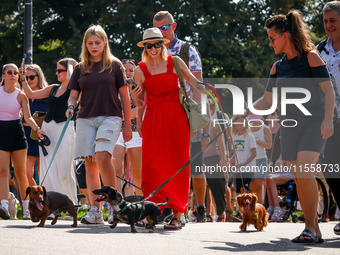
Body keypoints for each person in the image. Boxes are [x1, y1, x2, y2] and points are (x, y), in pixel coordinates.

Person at [254, 10, 335, 243]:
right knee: (298, 177)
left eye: (272, 38)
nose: (270, 43)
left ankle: (310, 227)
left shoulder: (311, 57)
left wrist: (328, 119)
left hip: (313, 123)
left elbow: (328, 92)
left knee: (305, 172)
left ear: (286, 36)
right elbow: (267, 101)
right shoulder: (277, 67)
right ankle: (315, 229)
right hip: (289, 126)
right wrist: (244, 112)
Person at [131, 27, 206, 230]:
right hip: (153, 118)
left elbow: (193, 81)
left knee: (177, 162)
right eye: (149, 45)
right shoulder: (140, 70)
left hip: (176, 117)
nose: (153, 48)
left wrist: (212, 94)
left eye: (157, 44)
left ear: (163, 44)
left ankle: (178, 213)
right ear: (145, 47)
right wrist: (136, 110)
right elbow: (140, 103)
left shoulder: (174, 61)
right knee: (151, 165)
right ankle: (150, 212)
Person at [66, 25, 132, 224]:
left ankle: (115, 206)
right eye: (90, 42)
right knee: (90, 162)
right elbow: (73, 95)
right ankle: (96, 209)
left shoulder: (115, 65)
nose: (94, 46)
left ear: (105, 43)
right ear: (85, 44)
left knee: (103, 156)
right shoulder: (80, 67)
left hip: (110, 117)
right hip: (85, 118)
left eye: (97, 42)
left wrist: (127, 125)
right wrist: (70, 107)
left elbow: (125, 97)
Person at [153, 11, 210, 222]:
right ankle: (170, 206)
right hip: (161, 112)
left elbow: (198, 84)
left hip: (184, 110)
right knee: (167, 162)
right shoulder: (153, 50)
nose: (161, 32)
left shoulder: (187, 50)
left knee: (192, 163)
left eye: (164, 27)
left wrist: (198, 117)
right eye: (157, 28)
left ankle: (197, 206)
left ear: (174, 26)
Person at [21, 58, 78, 206]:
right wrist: (23, 80)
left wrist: (72, 65)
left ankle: (69, 203)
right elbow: (31, 94)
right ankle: (52, 205)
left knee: (64, 172)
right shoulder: (52, 88)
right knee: (48, 170)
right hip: (48, 130)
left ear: (68, 71)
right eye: (56, 70)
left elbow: (72, 81)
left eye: (60, 70)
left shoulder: (74, 90)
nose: (57, 73)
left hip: (64, 130)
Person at [0, 63, 43, 220]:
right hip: (1, 132)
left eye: (15, 73)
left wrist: (37, 130)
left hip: (17, 132)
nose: (13, 75)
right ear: (3, 76)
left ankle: (27, 209)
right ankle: (3, 204)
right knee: (3, 171)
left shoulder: (21, 95)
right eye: (9, 72)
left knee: (21, 173)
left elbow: (28, 117)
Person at [318, 1, 340, 236]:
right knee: (330, 166)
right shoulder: (319, 50)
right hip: (330, 119)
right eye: (325, 21)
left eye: (332, 20)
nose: (328, 25)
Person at [112, 59, 142, 196]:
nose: (128, 73)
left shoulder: (138, 87)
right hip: (116, 132)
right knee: (115, 170)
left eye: (131, 70)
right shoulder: (113, 87)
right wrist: (127, 114)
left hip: (136, 132)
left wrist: (123, 114)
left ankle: (141, 203)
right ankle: (116, 204)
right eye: (125, 70)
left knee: (138, 173)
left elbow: (139, 111)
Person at [21, 64, 48, 186]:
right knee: (25, 173)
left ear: (39, 77)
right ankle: (36, 196)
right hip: (26, 137)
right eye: (26, 78)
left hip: (43, 137)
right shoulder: (21, 96)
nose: (28, 80)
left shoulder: (48, 95)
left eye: (31, 77)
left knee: (45, 174)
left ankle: (46, 199)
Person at [248, 114, 272, 204]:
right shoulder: (247, 128)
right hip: (249, 161)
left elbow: (269, 145)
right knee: (252, 188)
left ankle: (260, 210)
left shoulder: (265, 128)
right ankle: (252, 210)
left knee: (259, 187)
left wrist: (258, 141)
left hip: (261, 159)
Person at [230, 115, 257, 195]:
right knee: (238, 190)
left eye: (241, 124)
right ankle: (239, 207)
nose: (238, 127)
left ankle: (248, 206)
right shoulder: (234, 137)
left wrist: (244, 163)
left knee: (245, 189)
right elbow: (236, 152)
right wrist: (230, 161)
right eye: (236, 125)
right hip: (237, 168)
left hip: (248, 168)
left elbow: (254, 153)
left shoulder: (250, 137)